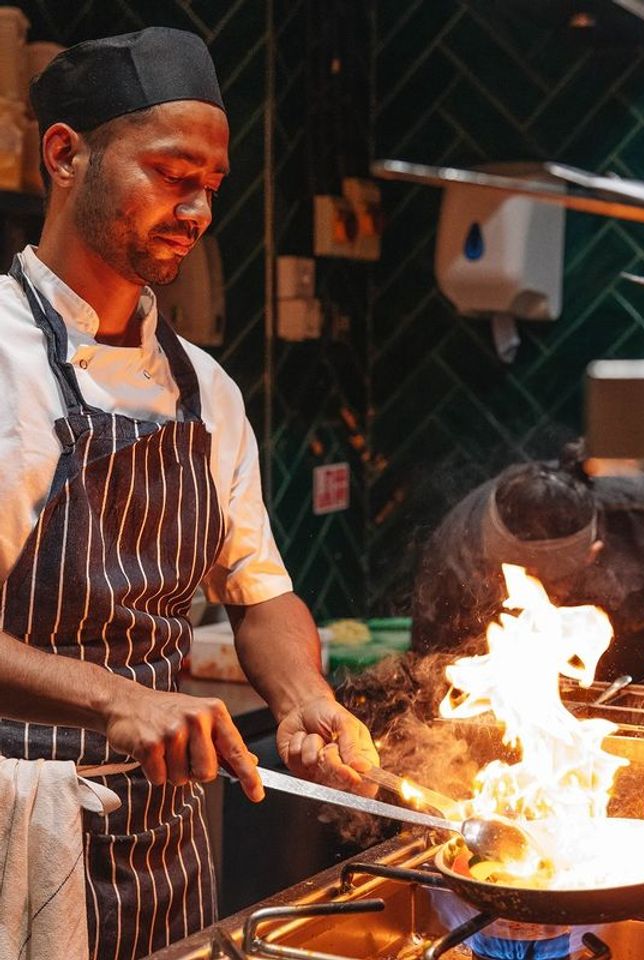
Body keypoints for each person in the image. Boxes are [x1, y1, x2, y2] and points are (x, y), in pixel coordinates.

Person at [0, 26, 377, 959]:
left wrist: (302, 696)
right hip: (14, 831)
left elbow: (260, 592)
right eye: (172, 175)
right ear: (65, 155)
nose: (199, 209)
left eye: (212, 184)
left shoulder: (207, 389)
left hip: (164, 850)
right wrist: (116, 701)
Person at [411, 441, 644, 682]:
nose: (537, 596)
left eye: (551, 582)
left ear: (592, 552)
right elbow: (432, 666)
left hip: (637, 683)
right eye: (519, 578)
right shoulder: (456, 554)